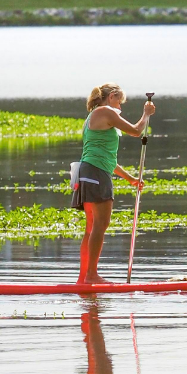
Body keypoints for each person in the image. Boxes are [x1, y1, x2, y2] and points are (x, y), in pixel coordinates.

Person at [71, 83, 155, 284]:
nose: (121, 107)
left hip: (88, 171)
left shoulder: (92, 117)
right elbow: (135, 131)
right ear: (112, 96)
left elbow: (108, 159)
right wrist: (146, 114)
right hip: (95, 173)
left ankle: (84, 277)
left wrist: (130, 179)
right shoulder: (105, 111)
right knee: (101, 224)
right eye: (120, 102)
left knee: (92, 227)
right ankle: (91, 275)